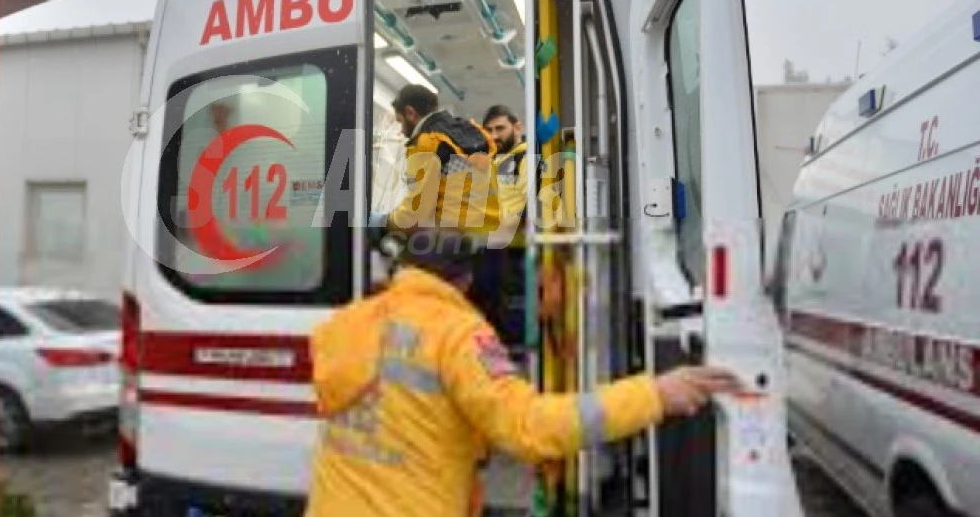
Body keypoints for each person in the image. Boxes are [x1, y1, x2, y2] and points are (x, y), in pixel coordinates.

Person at [303, 245, 741, 517]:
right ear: (467, 280)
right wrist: (654, 394)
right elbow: (527, 427)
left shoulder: (352, 319)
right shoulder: (458, 335)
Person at [374, 84, 502, 283]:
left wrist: (382, 223)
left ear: (410, 112)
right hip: (493, 240)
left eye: (400, 122)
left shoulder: (426, 141)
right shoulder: (473, 131)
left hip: (455, 247)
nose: (401, 131)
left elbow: (415, 215)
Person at [474, 105, 531, 345]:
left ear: (517, 127)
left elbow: (519, 210)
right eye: (489, 130)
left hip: (514, 254)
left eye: (500, 128)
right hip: (492, 250)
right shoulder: (494, 163)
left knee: (510, 323)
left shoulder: (527, 159)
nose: (495, 135)